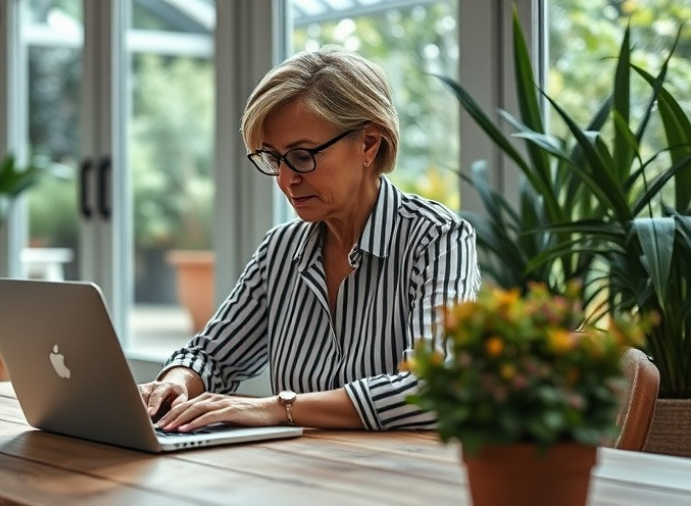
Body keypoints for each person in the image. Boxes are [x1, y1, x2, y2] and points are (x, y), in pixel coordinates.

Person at [139, 45, 480, 432]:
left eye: (302, 156)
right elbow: (212, 356)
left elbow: (432, 388)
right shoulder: (280, 250)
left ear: (369, 143)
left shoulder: (437, 239)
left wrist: (277, 408)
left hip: (397, 482)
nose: (286, 180)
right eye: (274, 158)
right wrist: (172, 385)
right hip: (298, 476)